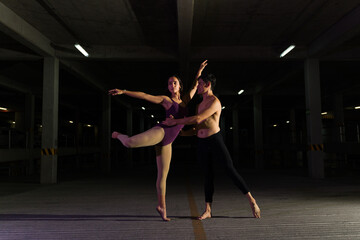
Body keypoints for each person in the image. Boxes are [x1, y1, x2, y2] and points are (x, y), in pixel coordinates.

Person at [108, 60, 208, 221]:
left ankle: (162, 206)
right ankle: (118, 134)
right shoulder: (165, 100)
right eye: (169, 83)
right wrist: (124, 91)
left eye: (174, 82)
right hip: (161, 132)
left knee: (162, 176)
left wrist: (199, 71)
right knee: (129, 143)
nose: (172, 85)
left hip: (168, 142)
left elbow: (195, 86)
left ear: (179, 86)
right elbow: (145, 96)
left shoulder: (185, 100)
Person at [163, 73, 261, 220]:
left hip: (215, 140)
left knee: (230, 170)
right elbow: (197, 128)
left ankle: (252, 200)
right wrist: (182, 133)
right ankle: (208, 210)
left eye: (200, 84)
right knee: (207, 176)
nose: (198, 87)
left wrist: (176, 122)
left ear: (208, 85)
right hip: (202, 143)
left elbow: (198, 118)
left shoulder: (215, 102)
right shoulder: (199, 105)